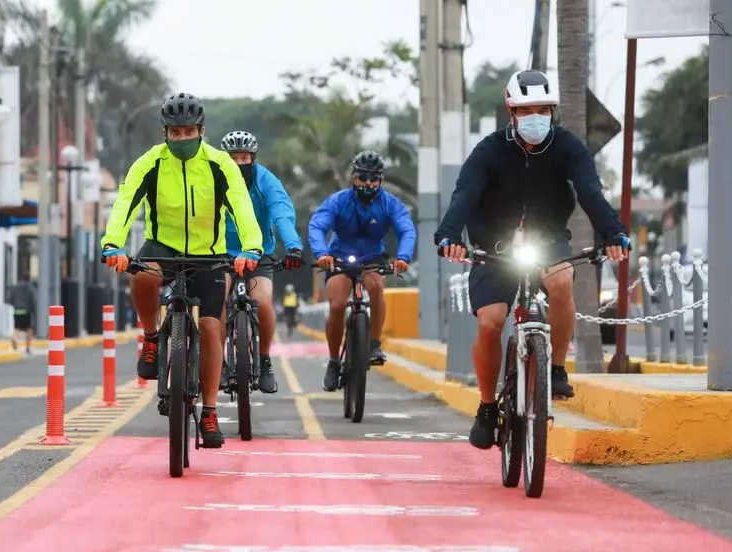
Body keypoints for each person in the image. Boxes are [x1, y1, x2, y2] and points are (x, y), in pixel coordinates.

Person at [434, 69, 631, 450]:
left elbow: (590, 192)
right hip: (493, 245)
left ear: (553, 111)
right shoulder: (489, 150)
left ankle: (555, 368)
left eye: (543, 109)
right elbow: (464, 196)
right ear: (511, 112)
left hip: (548, 237)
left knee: (560, 282)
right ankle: (488, 407)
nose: (535, 117)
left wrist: (613, 233)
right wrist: (449, 236)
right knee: (491, 322)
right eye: (526, 110)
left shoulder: (568, 146)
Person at [100, 92, 264, 449]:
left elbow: (241, 206)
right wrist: (113, 244)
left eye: (189, 131)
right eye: (175, 132)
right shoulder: (149, 163)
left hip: (209, 253)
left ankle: (208, 411)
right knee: (143, 275)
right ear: (165, 133)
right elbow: (125, 202)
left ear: (202, 131)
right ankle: (151, 337)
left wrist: (251, 247)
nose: (182, 138)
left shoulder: (222, 165)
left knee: (210, 327)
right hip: (163, 247)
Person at [308, 150, 417, 392]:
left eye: (374, 179)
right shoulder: (338, 201)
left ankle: (374, 343)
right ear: (354, 178)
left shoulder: (390, 204)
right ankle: (334, 361)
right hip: (338, 257)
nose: (368, 183)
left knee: (377, 288)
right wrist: (322, 254)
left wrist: (403, 257)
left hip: (372, 258)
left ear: (381, 180)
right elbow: (317, 225)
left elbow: (406, 230)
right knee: (337, 305)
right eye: (363, 178)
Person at [218, 130, 304, 394]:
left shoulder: (266, 179)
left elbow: (281, 211)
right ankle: (218, 362)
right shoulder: (213, 178)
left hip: (259, 253)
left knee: (264, 301)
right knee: (216, 300)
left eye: (245, 157)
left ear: (253, 159)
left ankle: (265, 360)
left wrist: (292, 246)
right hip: (220, 252)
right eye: (233, 158)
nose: (239, 163)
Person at [7, 279, 37, 354]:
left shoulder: (15, 287)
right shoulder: (30, 288)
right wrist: (33, 310)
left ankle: (14, 338)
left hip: (16, 310)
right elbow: (33, 300)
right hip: (26, 311)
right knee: (29, 328)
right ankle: (28, 347)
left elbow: (9, 299)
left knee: (16, 327)